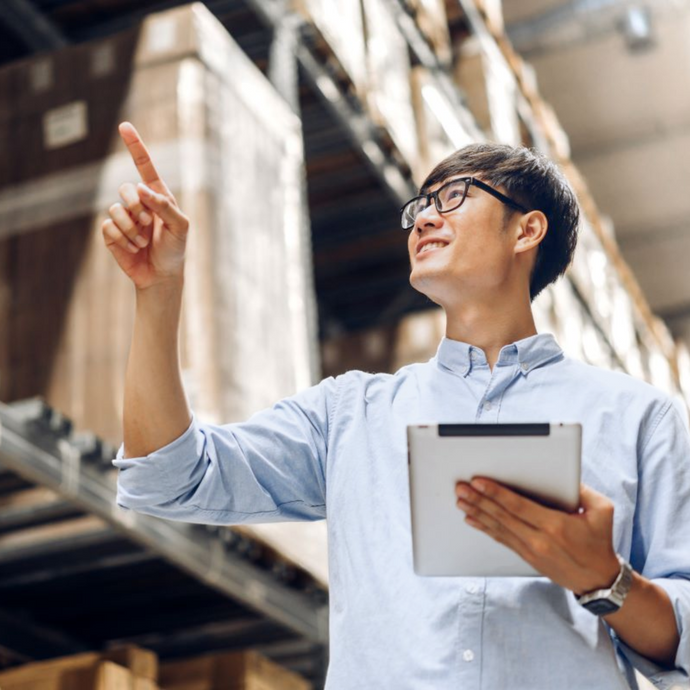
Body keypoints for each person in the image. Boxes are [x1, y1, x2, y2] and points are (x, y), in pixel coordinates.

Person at [107, 121, 690, 689]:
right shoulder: (348, 415)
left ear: (527, 230)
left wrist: (605, 580)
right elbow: (169, 475)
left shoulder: (639, 419)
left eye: (455, 196)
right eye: (419, 207)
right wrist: (158, 292)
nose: (425, 218)